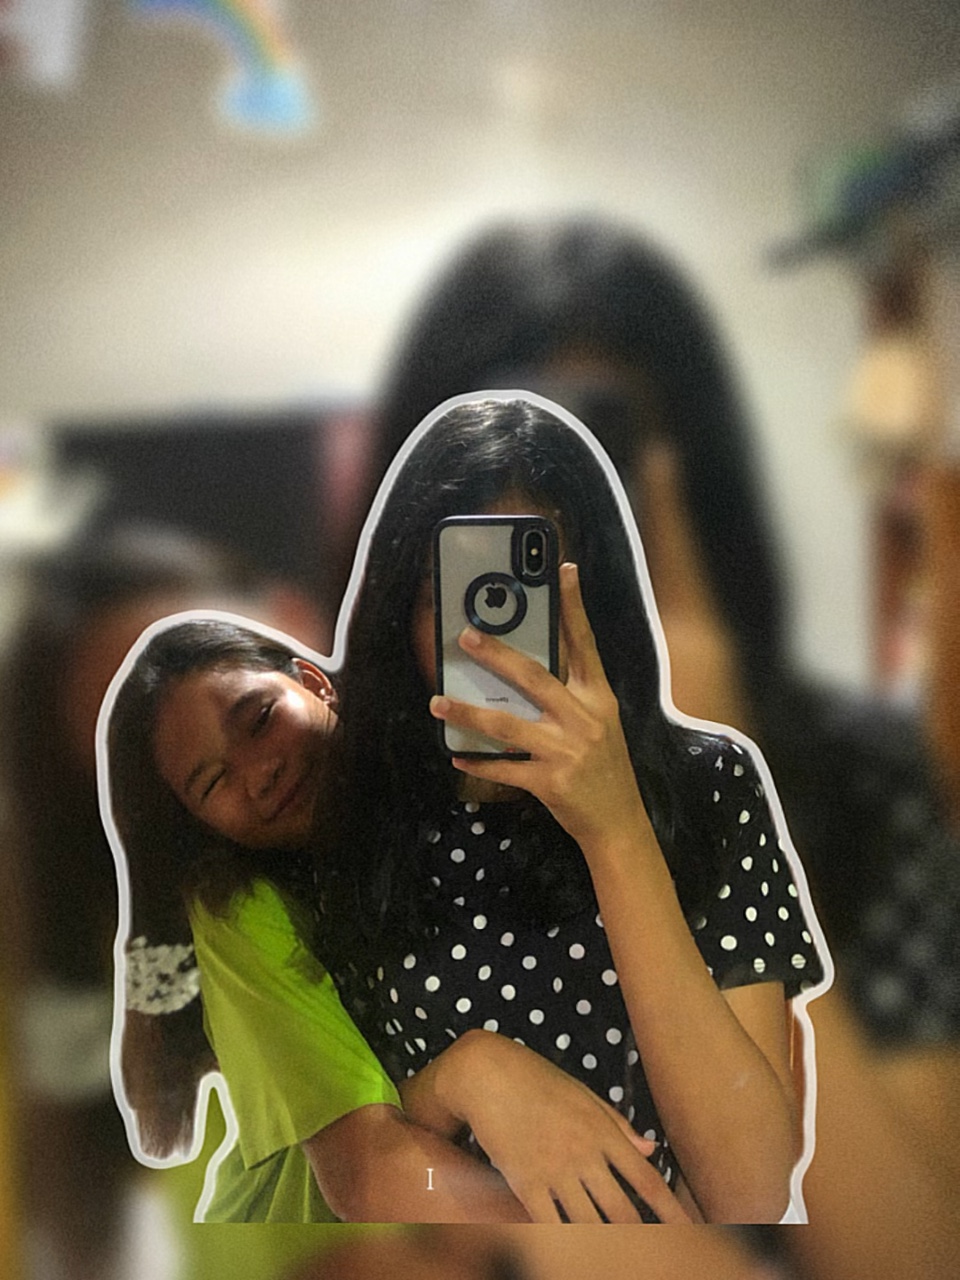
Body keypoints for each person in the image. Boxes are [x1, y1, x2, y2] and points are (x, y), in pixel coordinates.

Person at [370, 216, 960, 1271]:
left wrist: (724, 773)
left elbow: (911, 1256)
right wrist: (465, 1083)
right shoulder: (347, 798)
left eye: (601, 457)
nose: (550, 508)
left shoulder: (853, 778)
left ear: (689, 487)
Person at [314, 393, 826, 1226]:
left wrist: (615, 826)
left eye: (521, 590)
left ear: (597, 601)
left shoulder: (709, 786)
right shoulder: (356, 820)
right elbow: (350, 1164)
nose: (487, 633)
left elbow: (754, 1191)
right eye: (452, 592)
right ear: (401, 609)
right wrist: (466, 1076)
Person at [103, 614, 688, 1225]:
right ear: (200, 823)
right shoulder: (242, 910)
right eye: (213, 783)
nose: (258, 774)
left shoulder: (442, 786)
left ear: (313, 682)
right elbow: (366, 1173)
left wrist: (457, 1081)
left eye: (260, 720)